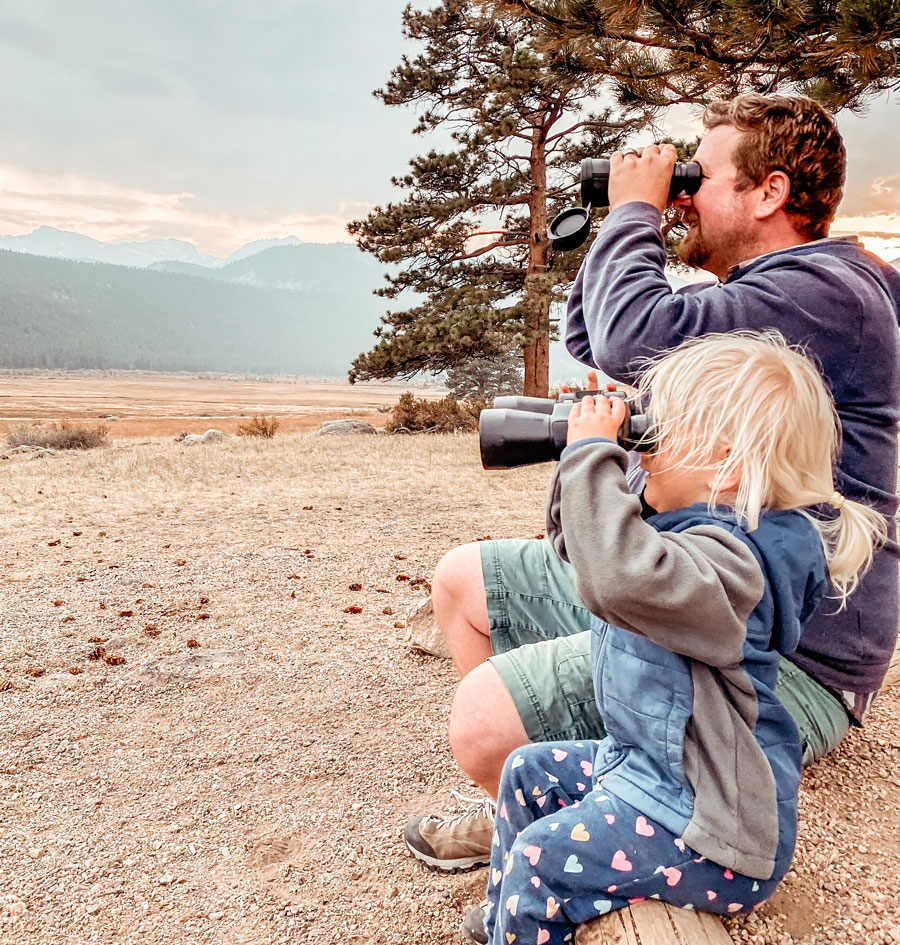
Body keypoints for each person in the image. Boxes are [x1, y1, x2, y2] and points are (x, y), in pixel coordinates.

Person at [404, 92, 900, 873]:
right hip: (685, 580)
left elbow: (627, 333)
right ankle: (571, 790)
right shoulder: (765, 292)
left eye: (699, 172)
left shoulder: (830, 294)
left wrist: (636, 211)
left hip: (780, 650)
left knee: (482, 721)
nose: (683, 187)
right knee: (463, 583)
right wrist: (630, 224)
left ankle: (613, 804)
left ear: (769, 192)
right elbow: (597, 337)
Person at [461, 331, 886, 945]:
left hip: (708, 825)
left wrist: (592, 455)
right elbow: (583, 553)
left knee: (539, 857)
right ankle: (511, 917)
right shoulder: (694, 537)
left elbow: (613, 575)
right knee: (528, 772)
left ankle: (526, 910)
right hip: (650, 768)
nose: (642, 447)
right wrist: (579, 458)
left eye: (658, 435)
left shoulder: (737, 569)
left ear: (728, 463)